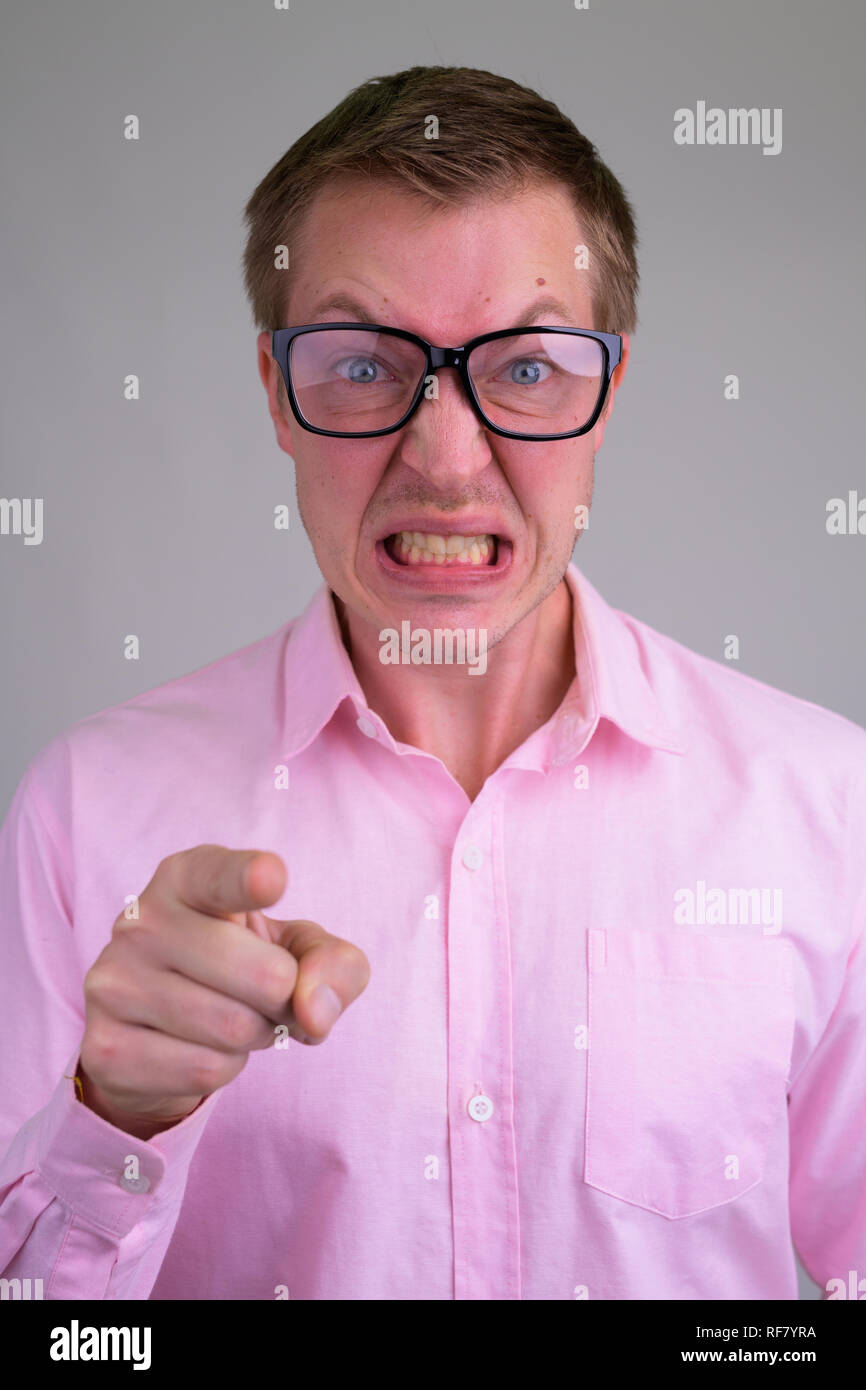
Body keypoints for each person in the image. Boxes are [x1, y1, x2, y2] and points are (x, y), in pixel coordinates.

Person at [1, 65, 864, 1302]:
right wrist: (113, 1121)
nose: (443, 458)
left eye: (522, 367)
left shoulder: (826, 810)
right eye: (358, 362)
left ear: (606, 391)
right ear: (276, 398)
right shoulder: (86, 812)